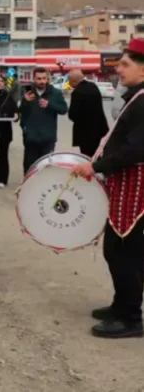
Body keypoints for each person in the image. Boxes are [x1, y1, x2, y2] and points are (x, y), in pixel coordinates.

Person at [71, 38, 144, 338]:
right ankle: (122, 305)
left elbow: (136, 149)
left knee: (123, 251)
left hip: (135, 185)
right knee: (119, 249)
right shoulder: (135, 97)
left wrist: (96, 167)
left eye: (125, 64)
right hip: (125, 182)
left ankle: (131, 317)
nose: (119, 70)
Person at [19, 67, 68, 174]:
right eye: (39, 79)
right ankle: (28, 184)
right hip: (31, 138)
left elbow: (64, 110)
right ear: (33, 79)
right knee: (29, 167)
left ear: (48, 78)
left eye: (44, 78)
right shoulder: (27, 92)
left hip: (48, 138)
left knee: (46, 168)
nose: (42, 81)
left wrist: (49, 105)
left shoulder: (55, 93)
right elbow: (20, 112)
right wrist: (25, 101)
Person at [67, 70, 109, 157]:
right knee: (96, 154)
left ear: (74, 81)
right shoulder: (93, 86)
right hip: (98, 129)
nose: (69, 83)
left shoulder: (77, 92)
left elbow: (72, 115)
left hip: (84, 132)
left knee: (86, 156)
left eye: (69, 81)